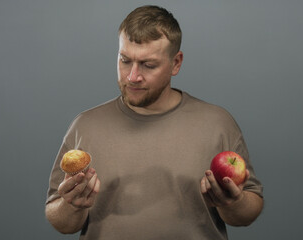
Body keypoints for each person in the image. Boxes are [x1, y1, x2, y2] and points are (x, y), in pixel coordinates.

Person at [45, 5, 263, 240]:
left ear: (176, 63)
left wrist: (233, 203)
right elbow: (60, 221)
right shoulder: (85, 126)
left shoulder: (217, 123)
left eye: (148, 65)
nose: (133, 76)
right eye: (125, 60)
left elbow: (248, 212)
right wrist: (72, 206)